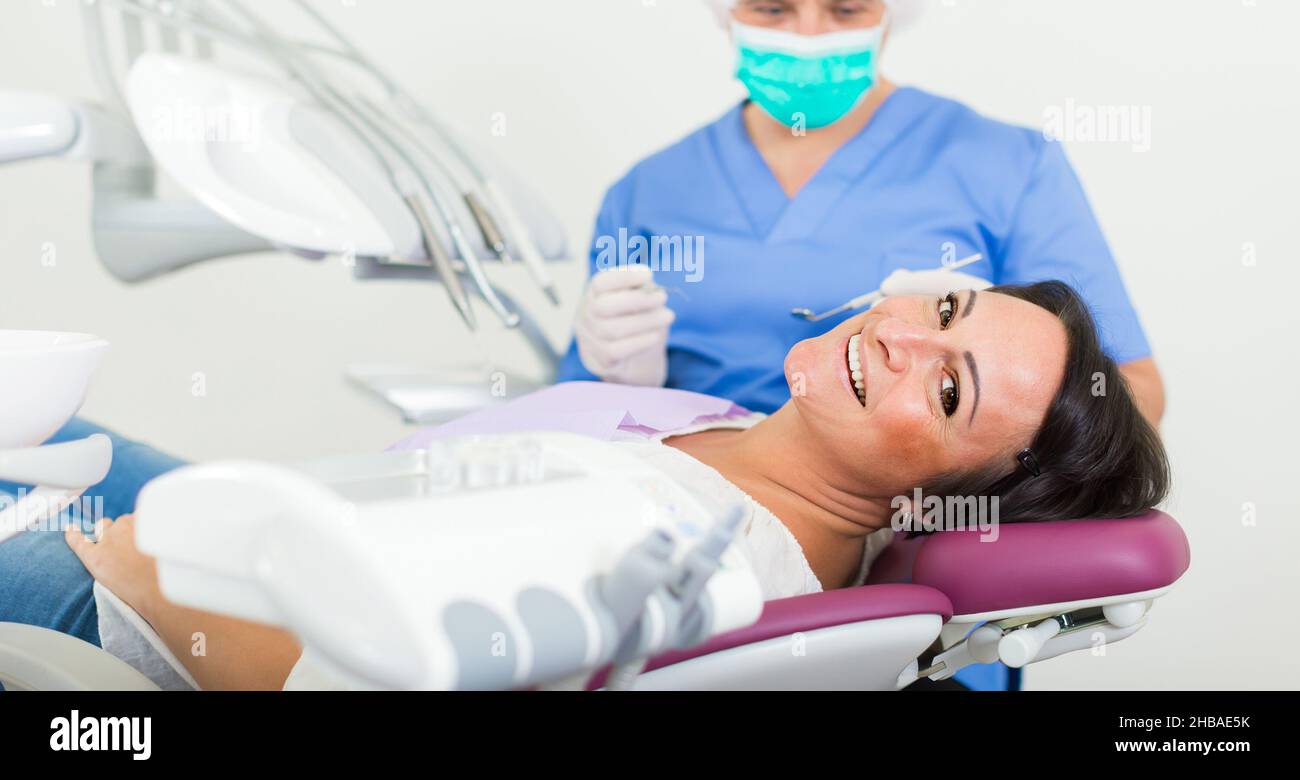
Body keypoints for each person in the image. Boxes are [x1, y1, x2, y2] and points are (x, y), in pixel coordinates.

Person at [556, 0, 1165, 687]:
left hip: (878, 618)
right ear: (723, 4)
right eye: (772, 5)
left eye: (845, 5)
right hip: (671, 549)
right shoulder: (649, 192)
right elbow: (568, 411)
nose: (808, 36)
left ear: (894, 1)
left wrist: (976, 349)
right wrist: (611, 368)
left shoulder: (1000, 163)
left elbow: (1109, 415)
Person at [0, 281, 1168, 690]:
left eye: (951, 391)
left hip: (120, 605)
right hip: (225, 515)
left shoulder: (682, 545)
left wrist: (102, 552)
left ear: (943, 493)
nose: (906, 337)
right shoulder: (736, 442)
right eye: (948, 307)